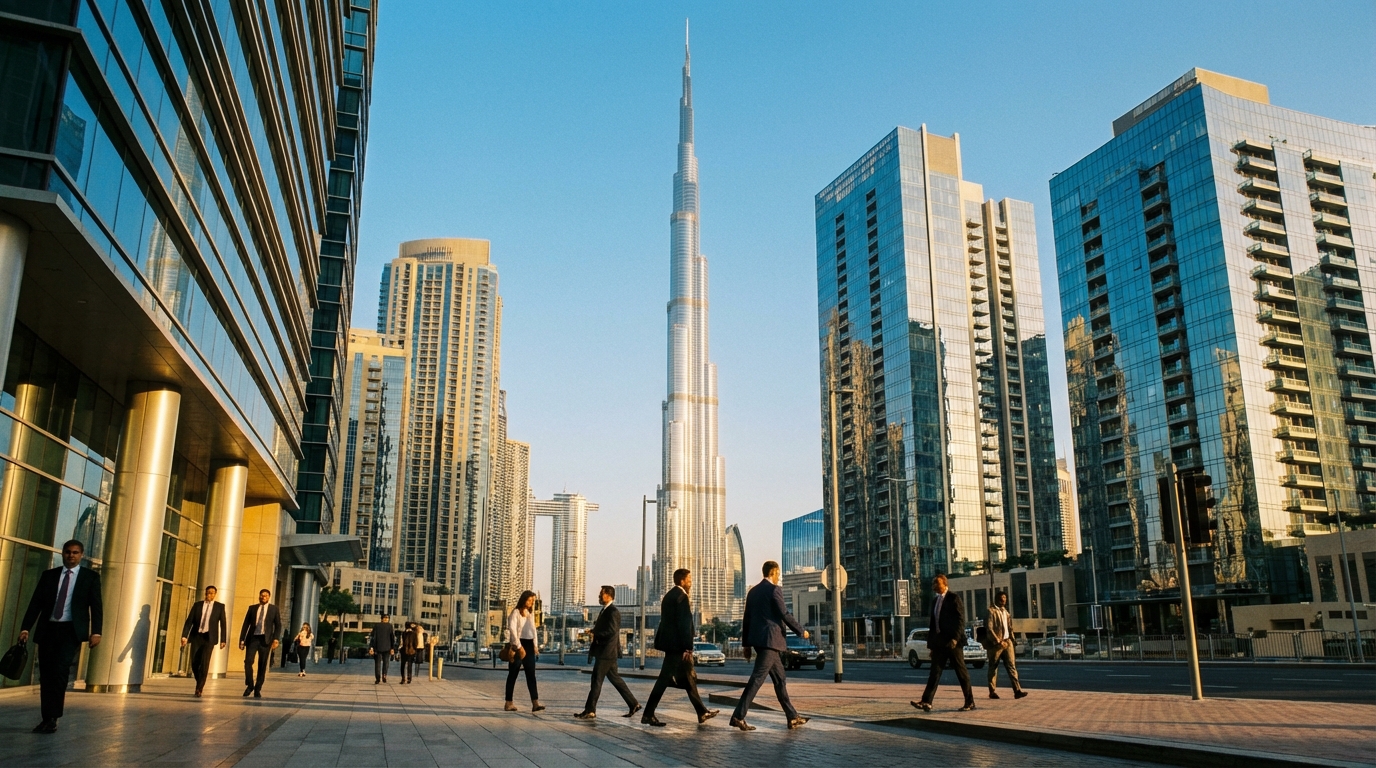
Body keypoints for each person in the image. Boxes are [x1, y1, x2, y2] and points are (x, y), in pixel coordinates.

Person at [17, 539, 102, 734]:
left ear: (81, 555)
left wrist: (96, 632)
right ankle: (46, 717)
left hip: (70, 631)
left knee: (60, 672)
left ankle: (53, 717)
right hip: (48, 629)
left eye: (75, 552)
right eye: (67, 552)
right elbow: (35, 603)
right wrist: (25, 628)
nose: (71, 555)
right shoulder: (49, 576)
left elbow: (96, 606)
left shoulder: (90, 578)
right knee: (46, 674)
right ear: (62, 554)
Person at [731, 561, 809, 731]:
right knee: (757, 679)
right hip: (771, 642)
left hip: (760, 642)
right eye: (778, 573)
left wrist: (746, 644)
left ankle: (792, 717)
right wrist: (801, 631)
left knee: (780, 679)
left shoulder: (752, 592)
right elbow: (784, 613)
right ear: (773, 572)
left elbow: (747, 619)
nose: (779, 576)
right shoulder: (774, 590)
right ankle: (738, 716)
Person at [642, 569, 717, 727]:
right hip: (677, 647)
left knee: (688, 679)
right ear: (682, 581)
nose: (691, 581)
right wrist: (687, 647)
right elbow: (683, 624)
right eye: (689, 579)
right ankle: (648, 714)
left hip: (672, 644)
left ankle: (701, 712)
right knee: (663, 680)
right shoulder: (682, 597)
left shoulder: (670, 595)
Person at [912, 574, 975, 712]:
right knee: (934, 672)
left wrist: (955, 638)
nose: (934, 586)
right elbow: (933, 625)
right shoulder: (935, 601)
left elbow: (960, 620)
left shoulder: (953, 598)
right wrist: (932, 646)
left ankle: (969, 702)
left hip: (953, 642)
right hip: (939, 643)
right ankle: (926, 701)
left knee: (961, 672)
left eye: (936, 583)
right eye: (933, 584)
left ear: (944, 584)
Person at [574, 585, 639, 720]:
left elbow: (611, 631)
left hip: (606, 653)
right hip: (607, 652)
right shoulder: (605, 610)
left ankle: (590, 710)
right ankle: (634, 704)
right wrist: (593, 631)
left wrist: (594, 632)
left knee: (596, 681)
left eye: (601, 594)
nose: (599, 596)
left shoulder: (612, 611)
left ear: (609, 595)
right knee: (616, 680)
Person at [180, 585, 227, 697]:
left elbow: (223, 624)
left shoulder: (219, 607)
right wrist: (184, 636)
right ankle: (199, 680)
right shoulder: (197, 605)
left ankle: (199, 688)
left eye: (212, 593)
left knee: (205, 663)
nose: (209, 594)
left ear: (215, 594)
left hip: (209, 638)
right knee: (194, 662)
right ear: (205, 593)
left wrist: (223, 640)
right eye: (208, 592)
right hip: (197, 636)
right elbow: (189, 621)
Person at [982, 591, 1028, 700]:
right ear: (997, 599)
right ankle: (992, 691)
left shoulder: (1006, 612)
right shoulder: (991, 611)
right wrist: (998, 640)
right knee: (993, 667)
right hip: (996, 644)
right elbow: (989, 628)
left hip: (1007, 642)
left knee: (1012, 666)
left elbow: (1009, 627)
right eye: (1002, 598)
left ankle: (1017, 690)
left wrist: (1012, 639)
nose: (1004, 600)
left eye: (1005, 598)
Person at [503, 591, 543, 712]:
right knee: (513, 673)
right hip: (518, 644)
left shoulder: (529, 613)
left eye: (533, 601)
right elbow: (513, 630)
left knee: (531, 674)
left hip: (529, 644)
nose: (531, 603)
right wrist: (519, 647)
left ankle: (535, 703)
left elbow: (533, 630)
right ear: (523, 599)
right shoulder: (516, 612)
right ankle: (508, 702)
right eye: (529, 600)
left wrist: (535, 645)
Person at [238, 589, 281, 698]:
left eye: (265, 596)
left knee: (262, 665)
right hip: (252, 639)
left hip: (265, 640)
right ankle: (250, 684)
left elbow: (278, 625)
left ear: (269, 597)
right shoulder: (252, 608)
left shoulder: (274, 609)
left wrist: (276, 639)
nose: (263, 597)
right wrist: (242, 639)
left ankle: (258, 688)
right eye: (262, 595)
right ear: (259, 596)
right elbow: (245, 624)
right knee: (248, 662)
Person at [368, 614, 396, 683]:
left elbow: (372, 637)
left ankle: (378, 678)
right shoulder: (390, 626)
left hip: (378, 647)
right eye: (386, 618)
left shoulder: (377, 626)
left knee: (377, 663)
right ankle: (384, 675)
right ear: (383, 619)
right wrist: (392, 648)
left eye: (387, 618)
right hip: (387, 647)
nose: (386, 619)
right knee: (386, 663)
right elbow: (392, 638)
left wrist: (371, 647)